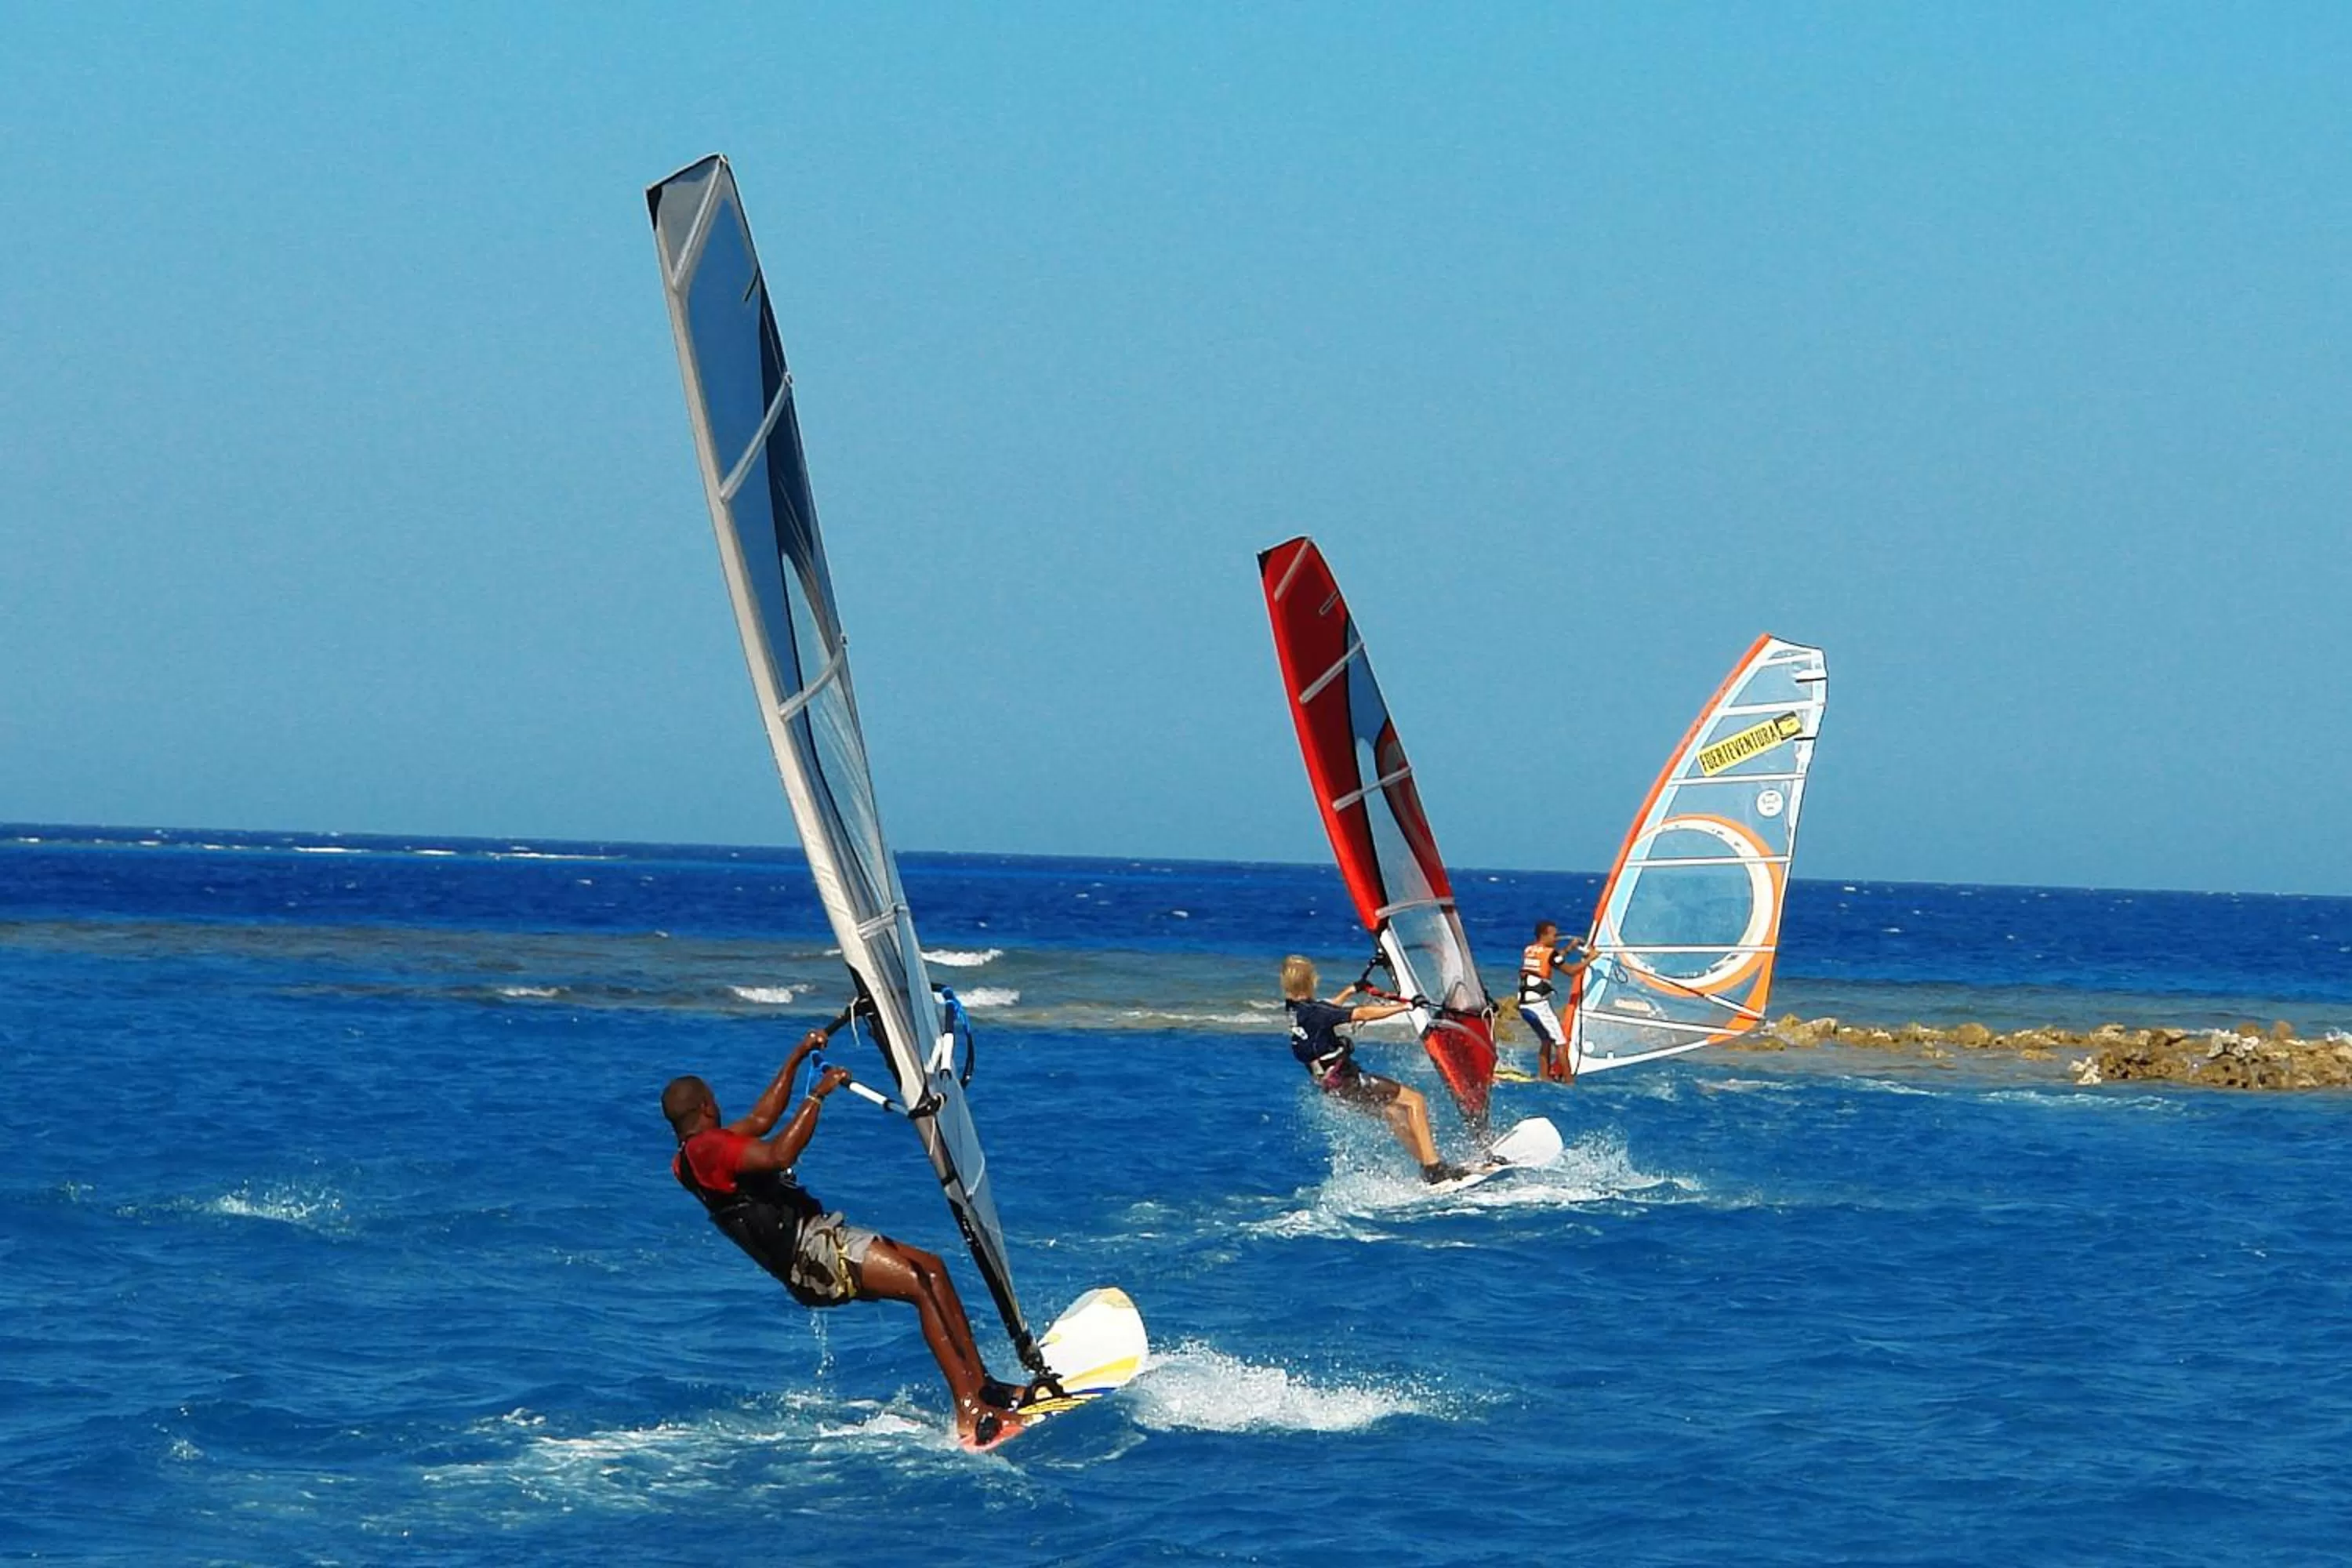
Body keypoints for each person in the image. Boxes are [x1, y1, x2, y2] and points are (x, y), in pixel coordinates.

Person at [662, 1030, 1036, 1448]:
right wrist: (817, 1096)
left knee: (933, 1268)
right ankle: (970, 1410)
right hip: (812, 1254)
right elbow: (779, 1154)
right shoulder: (707, 1150)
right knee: (918, 1282)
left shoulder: (692, 1157)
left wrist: (798, 1054)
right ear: (707, 1106)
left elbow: (763, 1119)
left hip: (818, 1239)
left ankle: (984, 1387)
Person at [1280, 955, 1473, 1183]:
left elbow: (1326, 1010)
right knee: (1415, 1101)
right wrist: (1406, 1006)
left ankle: (1427, 1165)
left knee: (1393, 1112)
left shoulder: (1295, 1010)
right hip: (1348, 1081)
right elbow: (1361, 1014)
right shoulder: (1317, 1013)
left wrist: (1350, 990)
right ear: (1312, 980)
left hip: (1332, 1086)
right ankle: (1434, 1167)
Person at [1518, 920, 1595, 1081]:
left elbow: (1553, 959)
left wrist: (1570, 948)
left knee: (1546, 1040)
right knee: (1560, 1043)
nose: (1557, 938)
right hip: (1538, 1005)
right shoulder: (1549, 953)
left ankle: (1544, 1078)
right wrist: (1590, 959)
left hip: (1524, 1005)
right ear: (1544, 935)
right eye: (1554, 935)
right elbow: (1571, 971)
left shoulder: (1529, 950)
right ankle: (1569, 1083)